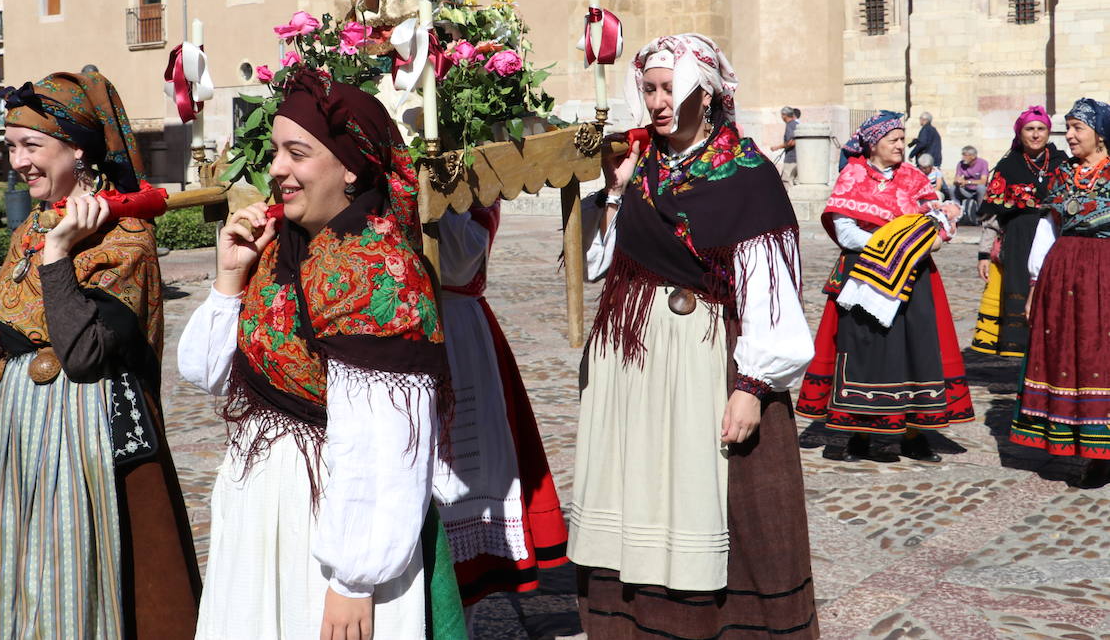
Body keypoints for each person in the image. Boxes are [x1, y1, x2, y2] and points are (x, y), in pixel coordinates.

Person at [177, 70, 464, 640]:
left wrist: (355, 580)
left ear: (350, 167)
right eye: (276, 151)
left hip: (334, 521)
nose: (277, 168)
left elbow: (387, 443)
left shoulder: (381, 273)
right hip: (264, 505)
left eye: (297, 153)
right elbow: (205, 372)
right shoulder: (277, 251)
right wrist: (230, 278)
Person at [570, 33, 818, 639]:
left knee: (709, 500)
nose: (656, 104)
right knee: (637, 494)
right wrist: (616, 192)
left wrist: (753, 386)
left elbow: (771, 295)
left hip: (702, 362)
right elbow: (599, 264)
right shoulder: (638, 166)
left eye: (668, 91)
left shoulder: (747, 175)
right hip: (633, 366)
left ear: (704, 95)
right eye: (648, 90)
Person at [0, 70, 201, 638]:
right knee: (20, 573)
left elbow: (85, 354)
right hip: (22, 428)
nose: (19, 161)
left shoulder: (125, 235)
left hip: (87, 433)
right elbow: (16, 319)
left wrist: (62, 251)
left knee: (83, 571)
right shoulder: (30, 230)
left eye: (33, 146)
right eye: (12, 147)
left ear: (78, 150)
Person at [796, 111, 972, 464]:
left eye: (902, 138)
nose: (900, 144)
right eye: (892, 139)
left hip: (914, 277)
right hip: (865, 275)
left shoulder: (913, 177)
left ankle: (912, 432)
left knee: (913, 350)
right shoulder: (854, 175)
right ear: (873, 143)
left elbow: (937, 219)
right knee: (863, 351)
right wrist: (894, 242)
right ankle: (857, 432)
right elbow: (846, 231)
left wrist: (929, 236)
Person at [432, 203, 569, 625]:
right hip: (396, 337)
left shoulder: (477, 194)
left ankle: (462, 620)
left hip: (456, 331)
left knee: (464, 477)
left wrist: (438, 197)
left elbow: (456, 262)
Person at [1010, 98, 1110, 486]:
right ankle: (1088, 448)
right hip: (1063, 274)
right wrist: (1036, 284)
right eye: (1066, 128)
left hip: (1104, 273)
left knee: (1100, 353)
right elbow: (1047, 230)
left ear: (1099, 134)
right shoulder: (1062, 176)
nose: (1067, 136)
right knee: (1073, 354)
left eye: (1076, 128)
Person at [972, 107, 1066, 357]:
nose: (1036, 135)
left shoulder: (1063, 163)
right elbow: (991, 214)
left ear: (1048, 132)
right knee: (1018, 291)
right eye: (1030, 129)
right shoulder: (1007, 166)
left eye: (1041, 129)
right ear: (1020, 132)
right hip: (1016, 240)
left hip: (1053, 238)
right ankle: (1016, 351)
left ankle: (1049, 348)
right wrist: (984, 254)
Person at [953, 145, 990, 224]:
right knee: (952, 188)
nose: (962, 157)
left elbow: (983, 181)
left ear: (973, 156)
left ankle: (981, 213)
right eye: (962, 155)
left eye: (964, 155)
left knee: (981, 188)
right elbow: (956, 178)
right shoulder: (960, 164)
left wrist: (967, 182)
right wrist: (958, 181)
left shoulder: (983, 163)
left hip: (978, 192)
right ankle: (955, 212)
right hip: (966, 190)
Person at [771, 106, 799, 184]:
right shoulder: (797, 124)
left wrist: (777, 147)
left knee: (786, 181)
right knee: (795, 181)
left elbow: (792, 142)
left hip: (791, 159)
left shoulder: (790, 125)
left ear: (784, 115)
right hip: (799, 159)